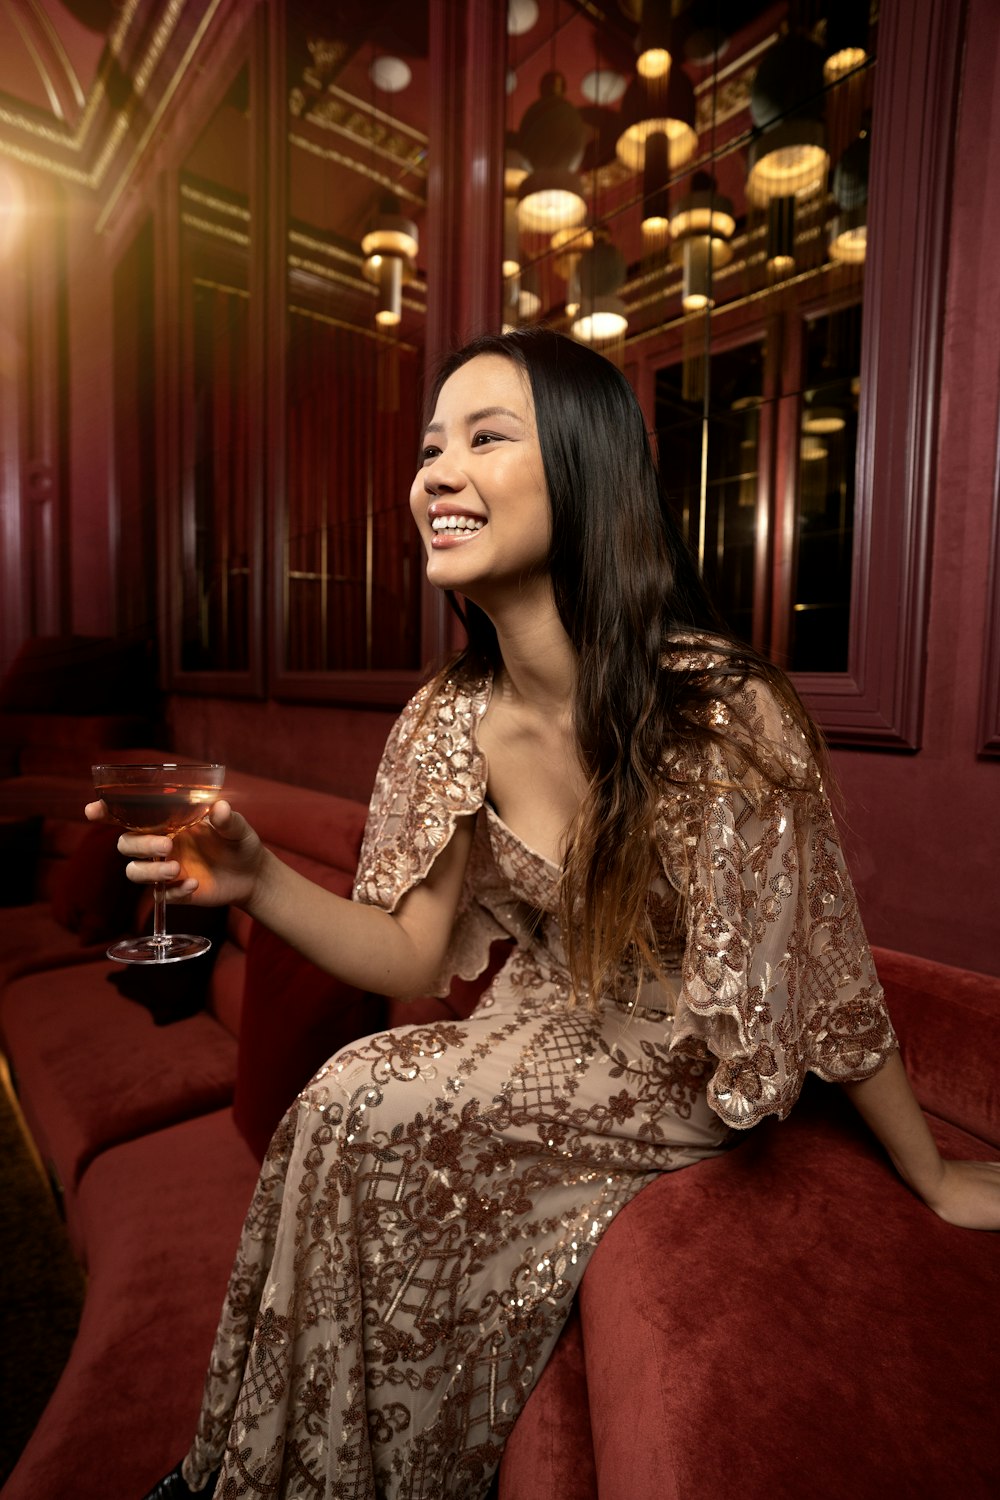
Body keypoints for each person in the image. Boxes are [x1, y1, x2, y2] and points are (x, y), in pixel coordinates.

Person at [89, 328, 1000, 1500]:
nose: (435, 474)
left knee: (362, 1102)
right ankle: (261, 1471)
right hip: (529, 1019)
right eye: (429, 448)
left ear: (583, 471)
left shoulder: (724, 716)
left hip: (670, 1072)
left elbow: (825, 970)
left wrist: (926, 1174)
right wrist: (261, 884)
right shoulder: (439, 722)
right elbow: (412, 949)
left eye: (484, 438)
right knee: (339, 1103)